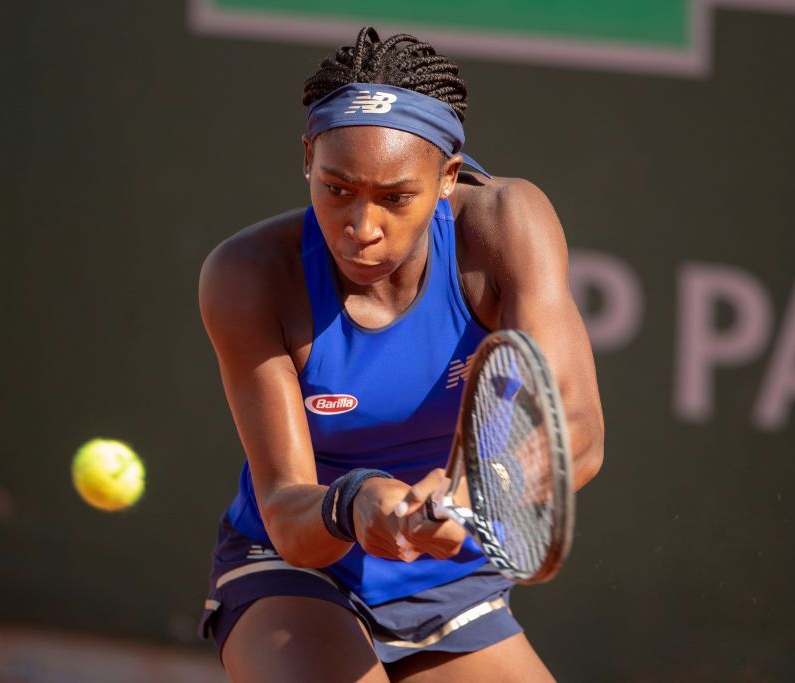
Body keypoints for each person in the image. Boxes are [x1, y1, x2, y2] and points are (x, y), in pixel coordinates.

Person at [197, 27, 604, 682]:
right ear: (307, 159)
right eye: (337, 189)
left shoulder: (506, 224)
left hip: (450, 583)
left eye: (395, 197)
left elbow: (576, 435)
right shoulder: (247, 275)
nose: (362, 227)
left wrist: (471, 491)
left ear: (447, 176)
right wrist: (356, 501)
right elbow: (288, 511)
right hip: (296, 569)